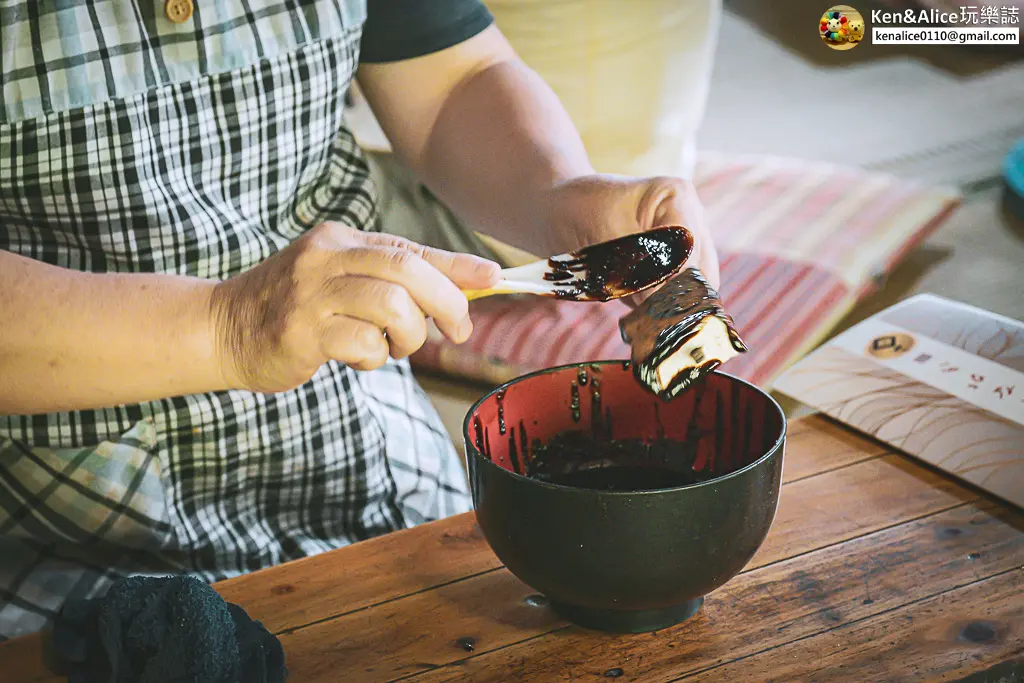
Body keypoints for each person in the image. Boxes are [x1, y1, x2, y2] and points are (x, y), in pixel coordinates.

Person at [0, 0, 718, 639]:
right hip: (59, 555)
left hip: (384, 474)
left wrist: (561, 192)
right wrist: (229, 327)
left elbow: (449, 85)